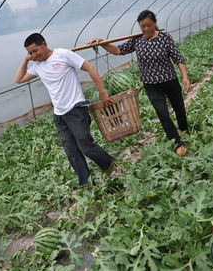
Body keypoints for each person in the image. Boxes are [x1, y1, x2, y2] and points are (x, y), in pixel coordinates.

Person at [15, 33, 116, 188]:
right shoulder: (37, 67)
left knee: (85, 145)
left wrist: (102, 92)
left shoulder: (63, 54)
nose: (33, 55)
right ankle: (85, 182)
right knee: (71, 151)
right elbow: (18, 79)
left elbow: (90, 67)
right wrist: (25, 60)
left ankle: (109, 164)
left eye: (35, 51)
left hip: (76, 108)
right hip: (59, 114)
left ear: (44, 43)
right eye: (30, 53)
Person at [87, 10, 191, 156]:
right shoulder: (137, 40)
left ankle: (184, 130)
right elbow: (118, 50)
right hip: (151, 85)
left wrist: (184, 76)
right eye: (142, 26)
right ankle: (177, 144)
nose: (146, 29)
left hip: (170, 81)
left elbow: (178, 58)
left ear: (155, 23)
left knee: (179, 107)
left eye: (149, 25)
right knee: (162, 113)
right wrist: (103, 42)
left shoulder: (165, 38)